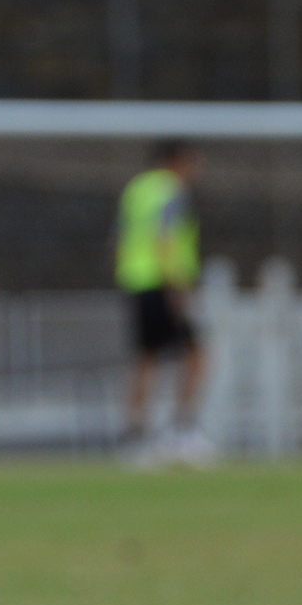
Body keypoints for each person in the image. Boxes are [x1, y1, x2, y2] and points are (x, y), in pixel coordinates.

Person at [115, 138, 213, 464]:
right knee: (197, 356)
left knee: (147, 359)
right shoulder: (171, 192)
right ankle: (181, 432)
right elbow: (164, 239)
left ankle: (135, 437)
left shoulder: (136, 190)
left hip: (136, 282)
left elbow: (119, 239)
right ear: (176, 161)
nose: (195, 171)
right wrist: (178, 289)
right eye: (192, 162)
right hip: (164, 283)